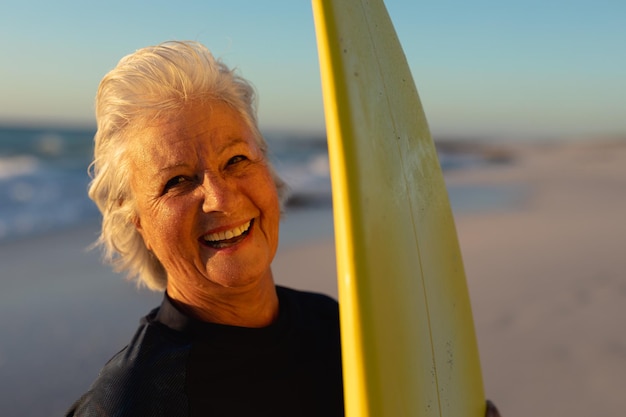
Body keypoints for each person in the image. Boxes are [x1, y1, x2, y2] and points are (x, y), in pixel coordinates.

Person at [66, 40, 344, 416]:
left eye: (236, 160)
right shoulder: (132, 404)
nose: (220, 199)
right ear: (137, 222)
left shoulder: (337, 327)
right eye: (177, 181)